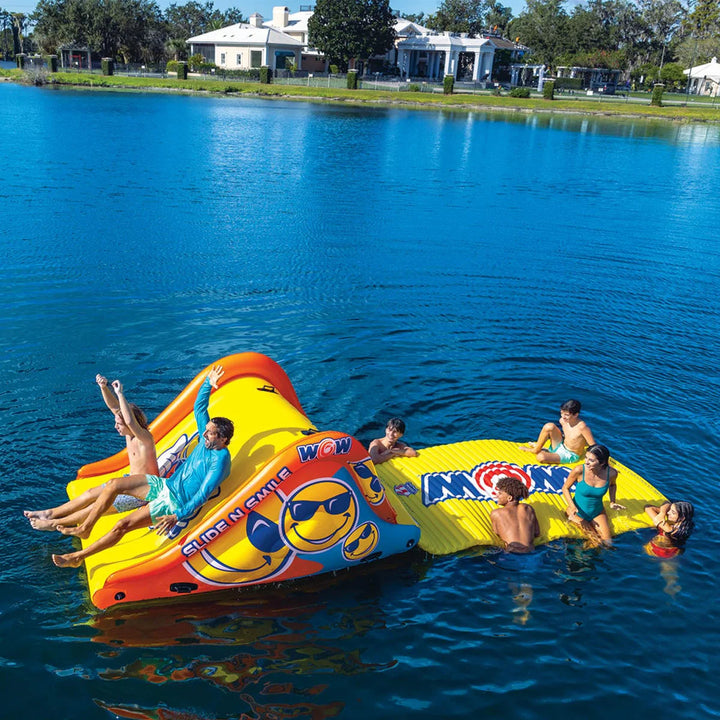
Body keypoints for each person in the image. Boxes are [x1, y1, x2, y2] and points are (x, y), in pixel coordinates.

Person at [52, 365, 234, 568]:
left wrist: (177, 515)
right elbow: (199, 408)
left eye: (209, 433)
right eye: (206, 430)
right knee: (113, 484)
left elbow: (203, 493)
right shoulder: (205, 440)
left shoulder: (220, 461)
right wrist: (208, 383)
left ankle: (78, 557)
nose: (204, 434)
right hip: (164, 485)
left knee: (122, 525)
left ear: (223, 439)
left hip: (173, 501)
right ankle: (86, 527)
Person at [24, 375, 158, 531]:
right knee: (89, 493)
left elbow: (128, 421)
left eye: (118, 424)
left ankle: (53, 524)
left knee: (96, 505)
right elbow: (115, 408)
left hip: (144, 492)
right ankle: (49, 513)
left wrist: (121, 393)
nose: (116, 427)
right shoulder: (129, 434)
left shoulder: (144, 439)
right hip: (129, 482)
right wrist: (104, 387)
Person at [562, 444, 625, 545]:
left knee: (608, 543)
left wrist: (612, 502)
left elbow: (613, 486)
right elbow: (565, 488)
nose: (586, 462)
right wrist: (572, 507)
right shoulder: (579, 470)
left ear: (602, 462)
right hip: (577, 513)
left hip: (597, 512)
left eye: (591, 460)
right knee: (596, 542)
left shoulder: (612, 473)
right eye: (586, 458)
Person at [521, 399, 595, 464]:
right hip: (561, 446)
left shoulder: (582, 427)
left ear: (576, 415)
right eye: (561, 413)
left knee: (541, 457)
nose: (563, 416)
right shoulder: (563, 421)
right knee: (549, 426)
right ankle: (536, 450)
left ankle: (547, 451)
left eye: (566, 415)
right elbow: (569, 435)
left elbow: (593, 446)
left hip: (570, 455)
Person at [490, 476, 540, 553]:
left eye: (500, 493)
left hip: (512, 555)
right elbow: (537, 533)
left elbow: (497, 532)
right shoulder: (528, 509)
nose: (497, 495)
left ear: (509, 498)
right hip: (531, 553)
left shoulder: (496, 513)